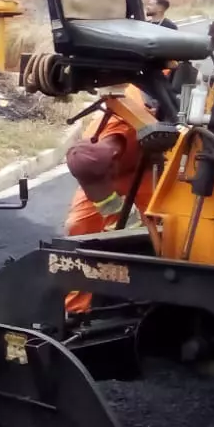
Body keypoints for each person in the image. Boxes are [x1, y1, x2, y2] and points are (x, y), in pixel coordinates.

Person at [62, 85, 157, 314]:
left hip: (146, 168)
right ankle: (76, 312)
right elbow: (105, 201)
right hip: (118, 171)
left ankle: (151, 297)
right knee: (80, 231)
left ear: (114, 163)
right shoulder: (91, 153)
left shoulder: (137, 118)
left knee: (160, 230)